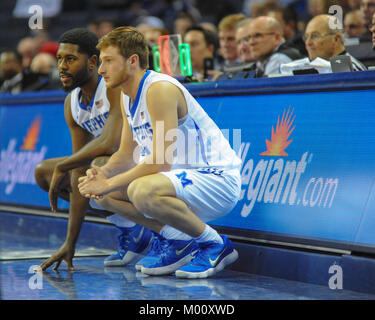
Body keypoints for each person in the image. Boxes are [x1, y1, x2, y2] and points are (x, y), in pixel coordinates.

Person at [78, 26, 241, 279]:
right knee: (101, 196)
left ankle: (215, 245)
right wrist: (100, 176)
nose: (100, 70)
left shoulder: (159, 89)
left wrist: (108, 182)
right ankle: (179, 241)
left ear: (132, 61)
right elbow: (125, 153)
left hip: (215, 178)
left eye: (108, 61)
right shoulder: (125, 95)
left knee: (140, 189)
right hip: (180, 181)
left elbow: (160, 161)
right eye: (101, 62)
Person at [36, 28, 152, 271]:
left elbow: (111, 143)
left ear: (92, 62)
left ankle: (145, 227)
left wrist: (64, 165)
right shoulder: (72, 104)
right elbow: (79, 166)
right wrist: (71, 243)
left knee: (97, 166)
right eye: (59, 59)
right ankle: (130, 228)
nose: (62, 66)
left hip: (147, 159)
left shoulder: (111, 86)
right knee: (45, 172)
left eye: (70, 59)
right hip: (113, 168)